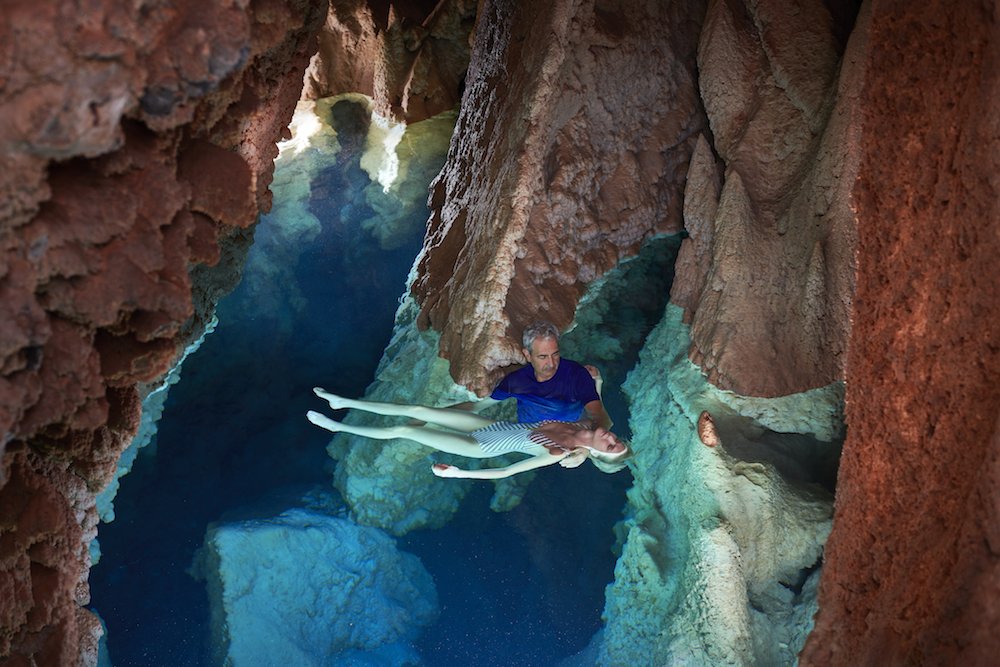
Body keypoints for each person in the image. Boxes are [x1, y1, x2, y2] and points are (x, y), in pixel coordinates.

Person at [306, 387, 631, 479]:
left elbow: (505, 472)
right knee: (418, 410)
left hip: (478, 447)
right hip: (490, 427)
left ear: (599, 455)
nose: (611, 439)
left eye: (611, 447)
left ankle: (337, 425)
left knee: (405, 430)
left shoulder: (558, 454)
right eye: (618, 441)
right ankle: (342, 401)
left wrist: (459, 473)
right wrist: (597, 382)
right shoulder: (585, 423)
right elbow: (596, 401)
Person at [467, 322, 613, 429]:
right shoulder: (516, 381)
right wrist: (453, 409)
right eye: (543, 357)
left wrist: (585, 447)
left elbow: (601, 419)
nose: (551, 363)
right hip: (530, 432)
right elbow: (478, 406)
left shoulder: (577, 375)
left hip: (570, 432)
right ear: (527, 355)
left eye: (555, 354)